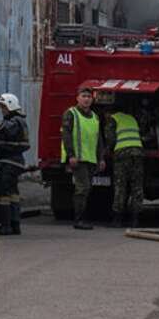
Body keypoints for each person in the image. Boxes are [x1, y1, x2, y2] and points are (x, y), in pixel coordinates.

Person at [0, 93, 30, 236]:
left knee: (3, 192)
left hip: (9, 162)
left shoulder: (14, 121)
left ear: (10, 105)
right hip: (12, 161)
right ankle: (15, 224)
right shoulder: (19, 120)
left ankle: (5, 226)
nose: (2, 110)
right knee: (12, 193)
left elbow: (5, 129)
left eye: (3, 107)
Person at [60, 85, 101, 230]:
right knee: (82, 188)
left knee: (87, 189)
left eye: (89, 97)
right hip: (78, 159)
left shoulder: (95, 117)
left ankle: (83, 217)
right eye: (83, 96)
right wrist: (71, 155)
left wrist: (100, 158)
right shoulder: (71, 114)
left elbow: (98, 139)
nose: (86, 99)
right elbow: (66, 135)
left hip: (90, 159)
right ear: (77, 98)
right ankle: (79, 219)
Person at [102, 100, 146, 229]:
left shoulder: (112, 119)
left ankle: (118, 219)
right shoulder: (131, 118)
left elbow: (110, 139)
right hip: (138, 152)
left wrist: (105, 152)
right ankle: (135, 220)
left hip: (122, 154)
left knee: (121, 185)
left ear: (109, 112)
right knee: (137, 186)